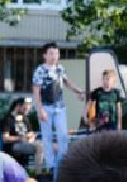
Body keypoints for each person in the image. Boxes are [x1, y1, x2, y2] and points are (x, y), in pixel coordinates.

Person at [32, 42, 86, 175]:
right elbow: (36, 91)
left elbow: (67, 83)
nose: (54, 56)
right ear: (45, 55)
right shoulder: (40, 70)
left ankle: (63, 162)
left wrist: (79, 91)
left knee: (63, 135)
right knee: (47, 136)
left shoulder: (60, 69)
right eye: (51, 53)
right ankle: (51, 164)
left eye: (56, 53)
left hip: (59, 107)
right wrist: (40, 110)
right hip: (46, 106)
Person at [0, 98, 38, 170]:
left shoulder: (25, 119)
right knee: (39, 147)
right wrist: (21, 138)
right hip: (12, 146)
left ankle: (44, 171)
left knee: (45, 145)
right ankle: (39, 173)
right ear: (18, 106)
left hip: (26, 144)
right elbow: (5, 138)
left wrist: (31, 138)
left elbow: (31, 133)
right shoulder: (8, 119)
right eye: (25, 109)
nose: (27, 111)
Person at [88, 68, 124, 133]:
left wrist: (119, 124)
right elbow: (90, 105)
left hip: (113, 123)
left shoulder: (116, 93)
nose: (106, 81)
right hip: (100, 124)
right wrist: (90, 122)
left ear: (113, 81)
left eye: (108, 79)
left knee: (112, 141)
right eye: (104, 79)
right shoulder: (97, 92)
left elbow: (119, 109)